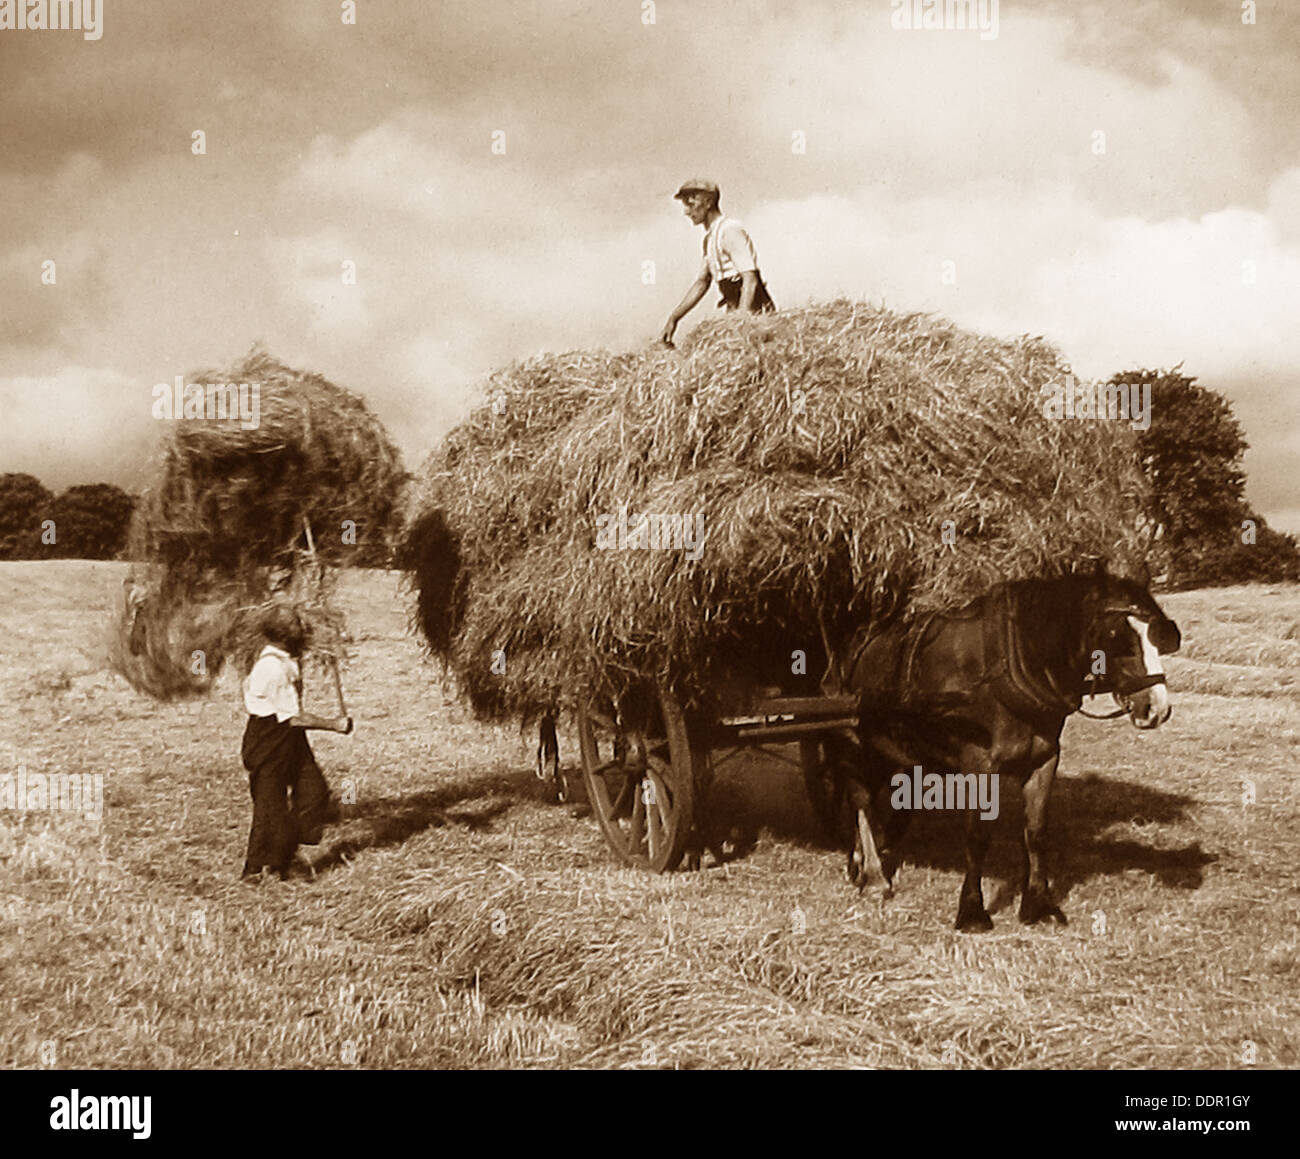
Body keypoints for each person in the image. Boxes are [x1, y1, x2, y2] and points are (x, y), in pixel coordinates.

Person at [240, 604, 352, 882]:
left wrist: (329, 647)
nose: (303, 628)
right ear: (282, 634)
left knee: (315, 794)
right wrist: (334, 725)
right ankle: (255, 870)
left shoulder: (286, 657)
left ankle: (282, 855)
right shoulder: (271, 668)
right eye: (296, 625)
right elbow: (294, 717)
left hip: (291, 738)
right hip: (269, 739)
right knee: (269, 808)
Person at [660, 179, 774, 347]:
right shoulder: (709, 238)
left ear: (707, 202)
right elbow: (702, 282)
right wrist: (674, 317)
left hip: (756, 311)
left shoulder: (730, 230)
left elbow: (750, 279)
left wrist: (742, 322)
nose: (686, 211)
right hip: (736, 308)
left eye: (690, 204)